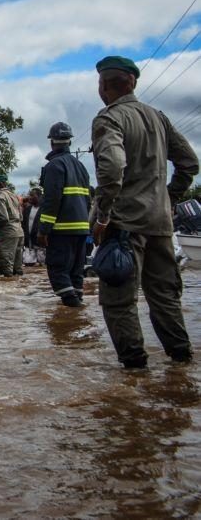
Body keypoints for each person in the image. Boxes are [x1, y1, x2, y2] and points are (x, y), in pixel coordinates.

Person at [91, 55, 197, 368]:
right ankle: (182, 359)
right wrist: (168, 198)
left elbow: (112, 168)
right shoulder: (158, 117)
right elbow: (190, 163)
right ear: (132, 82)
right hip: (161, 224)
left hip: (124, 225)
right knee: (165, 296)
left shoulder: (108, 118)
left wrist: (103, 216)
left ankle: (135, 370)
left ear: (103, 86)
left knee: (119, 300)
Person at [36, 122, 91, 306]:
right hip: (82, 230)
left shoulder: (54, 166)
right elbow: (88, 199)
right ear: (70, 142)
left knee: (58, 269)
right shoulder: (81, 166)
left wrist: (44, 230)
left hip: (61, 230)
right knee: (76, 271)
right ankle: (78, 314)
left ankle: (72, 306)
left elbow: (51, 200)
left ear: (52, 142)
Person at [0, 175, 24, 277]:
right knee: (18, 267)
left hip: (7, 233)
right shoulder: (14, 195)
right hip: (19, 231)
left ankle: (8, 290)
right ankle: (20, 289)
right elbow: (21, 216)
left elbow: (3, 218)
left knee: (6, 267)